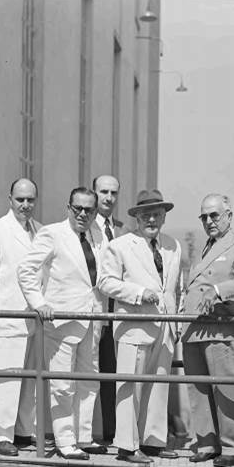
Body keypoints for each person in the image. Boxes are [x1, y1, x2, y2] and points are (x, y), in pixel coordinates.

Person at [17, 187, 106, 460]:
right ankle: (65, 441)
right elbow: (26, 270)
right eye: (77, 208)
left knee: (89, 382)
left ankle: (84, 436)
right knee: (62, 384)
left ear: (95, 212)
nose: (82, 214)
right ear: (68, 207)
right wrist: (38, 303)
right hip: (61, 320)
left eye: (88, 210)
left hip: (92, 317)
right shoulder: (52, 233)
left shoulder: (97, 236)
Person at [98, 190, 181, 464]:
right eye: (146, 214)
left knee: (159, 386)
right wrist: (138, 292)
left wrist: (176, 320)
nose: (152, 219)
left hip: (165, 327)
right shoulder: (120, 245)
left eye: (157, 214)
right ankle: (126, 445)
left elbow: (174, 287)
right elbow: (106, 283)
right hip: (135, 326)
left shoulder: (172, 245)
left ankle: (153, 441)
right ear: (136, 217)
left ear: (164, 216)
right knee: (129, 386)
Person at [182, 194, 234, 467]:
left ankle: (233, 445)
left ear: (229, 215)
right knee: (198, 389)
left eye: (214, 215)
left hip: (222, 330)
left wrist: (218, 291)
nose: (209, 221)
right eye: (203, 216)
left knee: (226, 388)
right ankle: (206, 442)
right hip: (195, 329)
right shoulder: (207, 247)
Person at [0, 178, 43, 457]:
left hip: (32, 319)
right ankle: (0, 434)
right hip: (5, 317)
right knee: (5, 378)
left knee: (28, 380)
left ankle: (23, 431)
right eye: (20, 200)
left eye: (30, 200)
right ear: (10, 200)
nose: (25, 205)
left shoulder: (38, 230)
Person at [92, 174, 127, 445]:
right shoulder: (84, 226)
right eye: (104, 192)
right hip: (92, 311)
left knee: (115, 373)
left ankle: (114, 431)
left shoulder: (123, 230)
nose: (108, 198)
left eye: (113, 193)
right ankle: (93, 432)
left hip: (117, 313)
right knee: (90, 373)